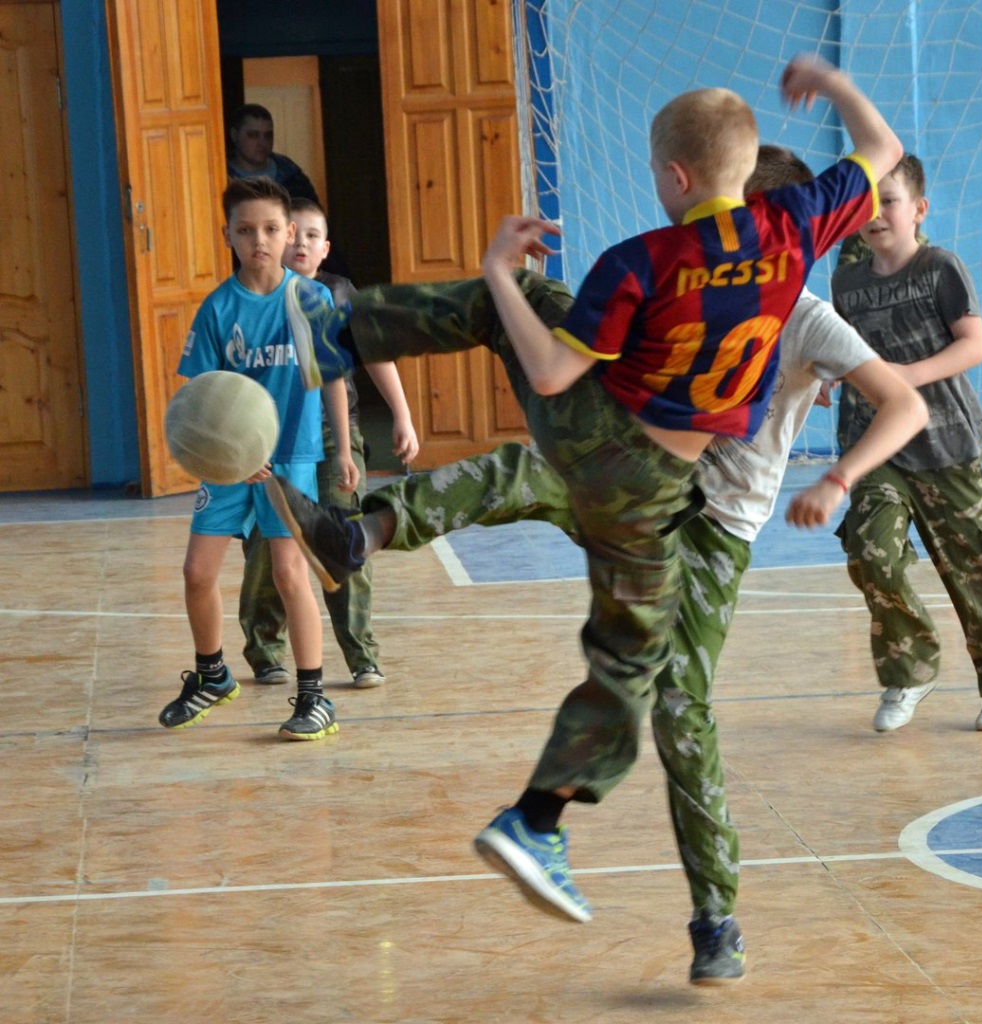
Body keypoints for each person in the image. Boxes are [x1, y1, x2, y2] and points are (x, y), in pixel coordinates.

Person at [249, 147, 925, 984]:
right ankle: (362, 530)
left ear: (770, 223)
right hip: (636, 476)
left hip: (713, 527)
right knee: (526, 455)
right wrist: (513, 291)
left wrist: (838, 478)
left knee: (679, 711)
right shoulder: (682, 275)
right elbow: (579, 359)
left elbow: (903, 403)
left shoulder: (807, 315)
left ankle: (714, 918)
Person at [830, 154, 982, 733]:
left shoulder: (939, 267)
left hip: (945, 444)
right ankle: (910, 669)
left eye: (889, 201)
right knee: (871, 549)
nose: (876, 214)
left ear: (919, 209)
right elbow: (843, 347)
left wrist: (905, 377)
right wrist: (825, 374)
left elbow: (973, 345)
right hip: (874, 445)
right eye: (865, 204)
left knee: (976, 572)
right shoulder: (846, 281)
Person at [161, 176, 356, 741]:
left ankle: (314, 697)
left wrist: (344, 449)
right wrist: (224, 454)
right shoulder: (218, 308)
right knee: (197, 572)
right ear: (228, 235)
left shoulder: (310, 300)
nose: (259, 240)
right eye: (245, 230)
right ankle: (212, 676)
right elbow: (200, 397)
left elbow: (333, 377)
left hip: (290, 457)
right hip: (229, 462)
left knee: (290, 573)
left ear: (289, 233)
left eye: (270, 229)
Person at [237, 197, 419, 689]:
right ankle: (265, 650)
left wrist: (402, 415)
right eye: (292, 234)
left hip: (333, 434)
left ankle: (362, 655)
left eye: (312, 236)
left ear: (325, 249)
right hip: (272, 437)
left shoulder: (339, 295)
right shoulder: (253, 298)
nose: (301, 243)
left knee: (344, 534)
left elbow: (374, 355)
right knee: (269, 545)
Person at [227, 103, 320, 204]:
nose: (262, 143)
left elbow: (312, 210)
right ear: (234, 135)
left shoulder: (292, 176)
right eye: (253, 135)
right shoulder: (222, 178)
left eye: (268, 135)